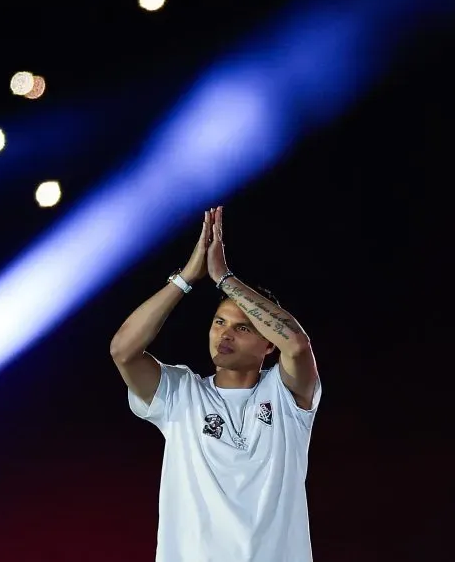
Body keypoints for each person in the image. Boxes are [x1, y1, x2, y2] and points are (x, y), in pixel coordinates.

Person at [110, 206, 322, 562]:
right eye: (219, 322)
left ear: (268, 344)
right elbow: (123, 350)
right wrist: (187, 277)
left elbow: (297, 344)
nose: (225, 334)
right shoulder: (180, 394)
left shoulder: (287, 396)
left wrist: (224, 278)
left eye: (242, 328)